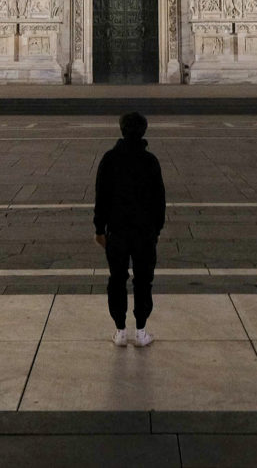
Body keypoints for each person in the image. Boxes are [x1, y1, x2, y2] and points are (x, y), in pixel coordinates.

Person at [93, 110, 165, 347]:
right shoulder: (150, 160)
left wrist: (99, 229)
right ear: (144, 130)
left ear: (121, 130)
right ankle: (142, 331)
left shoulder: (110, 158)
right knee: (143, 280)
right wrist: (157, 230)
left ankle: (120, 330)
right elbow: (159, 200)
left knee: (117, 279)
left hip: (117, 232)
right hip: (144, 233)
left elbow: (101, 196)